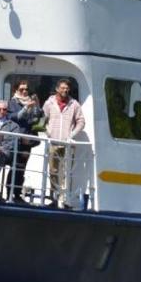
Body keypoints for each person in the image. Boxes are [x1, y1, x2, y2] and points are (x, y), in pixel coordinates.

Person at [42, 79, 86, 208]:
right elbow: (42, 119)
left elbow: (81, 121)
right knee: (53, 171)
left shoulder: (74, 104)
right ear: (57, 89)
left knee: (67, 172)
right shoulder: (49, 103)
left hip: (68, 144)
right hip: (53, 142)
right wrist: (48, 132)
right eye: (62, 88)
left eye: (67, 88)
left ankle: (65, 199)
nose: (65, 90)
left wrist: (72, 135)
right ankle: (54, 198)